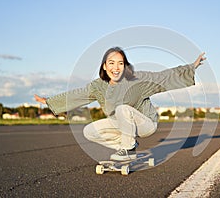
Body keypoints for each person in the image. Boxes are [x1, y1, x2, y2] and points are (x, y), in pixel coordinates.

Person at [34, 47, 206, 161]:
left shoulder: (137, 80)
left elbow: (164, 77)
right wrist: (50, 102)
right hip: (122, 125)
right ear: (104, 66)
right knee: (89, 131)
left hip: (146, 123)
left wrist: (192, 67)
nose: (116, 67)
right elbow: (77, 95)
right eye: (112, 63)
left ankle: (128, 148)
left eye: (120, 63)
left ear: (125, 66)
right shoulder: (98, 86)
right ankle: (128, 145)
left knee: (123, 109)